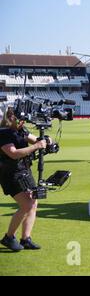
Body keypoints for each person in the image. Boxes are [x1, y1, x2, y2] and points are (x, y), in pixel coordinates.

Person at [0, 107, 48, 251]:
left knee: (33, 203)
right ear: (11, 118)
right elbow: (13, 154)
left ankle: (26, 238)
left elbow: (34, 139)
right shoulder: (3, 133)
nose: (23, 122)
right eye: (20, 119)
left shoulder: (20, 129)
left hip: (24, 171)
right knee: (26, 205)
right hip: (10, 174)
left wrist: (46, 141)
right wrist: (37, 146)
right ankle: (9, 237)